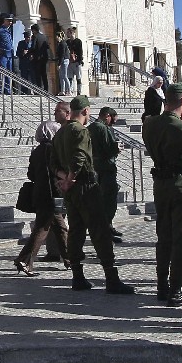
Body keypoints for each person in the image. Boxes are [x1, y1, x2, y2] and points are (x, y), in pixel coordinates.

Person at [52, 95, 135, 294]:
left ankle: (78, 276)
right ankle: (111, 278)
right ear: (86, 111)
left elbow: (53, 164)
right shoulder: (81, 130)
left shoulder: (60, 133)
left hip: (70, 190)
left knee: (76, 232)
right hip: (86, 186)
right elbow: (80, 157)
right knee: (100, 231)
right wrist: (71, 177)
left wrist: (64, 178)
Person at [142, 83, 182, 306]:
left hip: (161, 184)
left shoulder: (149, 124)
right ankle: (176, 290)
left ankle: (162, 285)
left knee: (164, 237)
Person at [14, 113, 71, 275]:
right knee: (43, 228)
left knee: (60, 228)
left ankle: (70, 259)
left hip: (41, 194)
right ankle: (24, 261)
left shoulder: (37, 150)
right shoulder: (53, 149)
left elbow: (31, 174)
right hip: (51, 194)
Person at [88, 106, 124, 241]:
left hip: (98, 167)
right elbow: (108, 148)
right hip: (105, 167)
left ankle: (107, 227)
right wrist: (117, 148)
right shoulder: (102, 128)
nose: (112, 124)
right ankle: (105, 230)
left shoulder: (92, 127)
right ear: (107, 116)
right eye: (112, 120)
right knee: (108, 201)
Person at [28, 23, 50, 89]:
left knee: (38, 75)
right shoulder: (44, 36)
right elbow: (47, 46)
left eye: (32, 31)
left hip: (37, 59)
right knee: (44, 74)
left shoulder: (35, 36)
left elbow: (33, 47)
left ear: (34, 30)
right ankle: (46, 89)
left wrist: (28, 52)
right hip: (44, 58)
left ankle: (39, 89)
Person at [66, 27, 85, 96]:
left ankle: (79, 92)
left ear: (71, 33)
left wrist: (79, 61)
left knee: (78, 78)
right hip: (70, 62)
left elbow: (80, 52)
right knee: (70, 77)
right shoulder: (67, 42)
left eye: (67, 33)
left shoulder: (78, 41)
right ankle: (70, 91)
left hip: (77, 62)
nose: (66, 34)